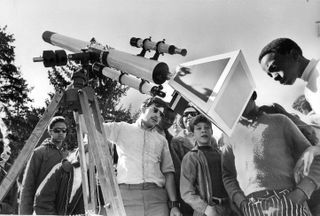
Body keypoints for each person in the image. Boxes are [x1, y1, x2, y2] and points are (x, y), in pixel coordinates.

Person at [221, 91, 320, 216]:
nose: (235, 103)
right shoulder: (229, 135)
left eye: (239, 96)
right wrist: (240, 201)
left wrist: (302, 192)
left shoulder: (281, 121)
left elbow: (315, 158)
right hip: (253, 208)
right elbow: (228, 175)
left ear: (253, 95)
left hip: (290, 201)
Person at [103, 97, 181, 216]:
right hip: (127, 198)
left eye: (161, 114)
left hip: (157, 200)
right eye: (155, 110)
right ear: (143, 108)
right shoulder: (121, 129)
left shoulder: (162, 140)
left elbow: (168, 173)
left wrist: (174, 205)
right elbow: (92, 128)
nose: (157, 116)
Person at [180, 114, 232, 216]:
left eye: (207, 128)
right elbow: (186, 191)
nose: (203, 130)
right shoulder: (191, 157)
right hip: (208, 210)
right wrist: (205, 208)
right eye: (198, 128)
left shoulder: (221, 154)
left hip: (228, 208)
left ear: (211, 132)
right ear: (193, 134)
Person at [19, 116, 69, 214]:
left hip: (62, 208)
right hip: (42, 208)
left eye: (64, 130)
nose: (61, 133)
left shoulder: (68, 155)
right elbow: (28, 185)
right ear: (50, 132)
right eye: (57, 130)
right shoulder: (39, 153)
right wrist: (25, 213)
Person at [259, 38, 320, 115]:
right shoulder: (308, 92)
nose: (274, 77)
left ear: (294, 55)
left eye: (273, 67)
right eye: (270, 75)